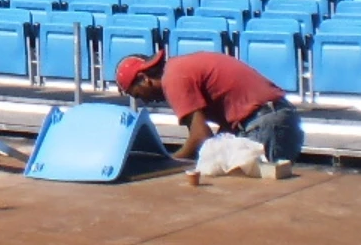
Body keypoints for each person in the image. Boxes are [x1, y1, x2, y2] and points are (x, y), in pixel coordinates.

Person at [112, 49, 305, 164]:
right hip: (274, 119)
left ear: (144, 78)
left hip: (266, 124)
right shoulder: (179, 69)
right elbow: (222, 132)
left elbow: (200, 137)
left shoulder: (173, 78)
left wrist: (169, 162)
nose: (145, 102)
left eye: (138, 95)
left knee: (255, 198)